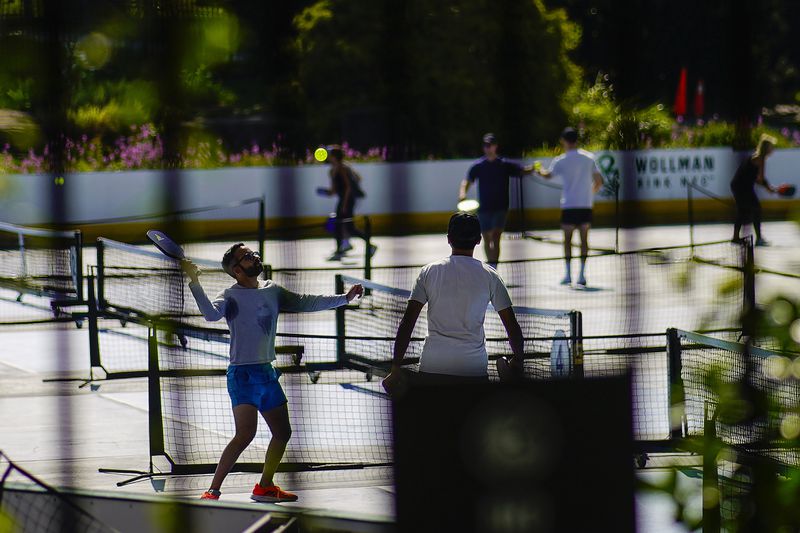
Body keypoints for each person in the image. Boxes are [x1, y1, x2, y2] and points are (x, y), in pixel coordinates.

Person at [182, 243, 363, 502]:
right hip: (242, 375)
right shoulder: (230, 295)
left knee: (283, 433)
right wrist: (194, 280)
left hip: (267, 373)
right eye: (247, 256)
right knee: (245, 434)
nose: (255, 257)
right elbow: (211, 315)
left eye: (253, 253)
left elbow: (305, 302)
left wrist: (344, 299)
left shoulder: (272, 290)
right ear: (236, 269)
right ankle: (213, 490)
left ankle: (265, 486)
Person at [382, 213, 524, 394]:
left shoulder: (429, 272)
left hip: (432, 370)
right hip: (473, 372)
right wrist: (518, 360)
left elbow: (407, 323)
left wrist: (395, 367)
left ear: (448, 239)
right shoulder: (491, 276)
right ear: (479, 240)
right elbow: (512, 327)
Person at [535, 127, 603, 287]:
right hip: (585, 205)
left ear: (564, 141)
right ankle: (582, 274)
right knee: (584, 240)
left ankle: (567, 274)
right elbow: (599, 181)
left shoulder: (561, 160)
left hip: (569, 205)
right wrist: (589, 193)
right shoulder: (589, 158)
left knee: (567, 240)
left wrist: (537, 170)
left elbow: (548, 175)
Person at [458, 133, 533, 269]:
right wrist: (462, 193)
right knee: (486, 237)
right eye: (486, 145)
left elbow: (523, 171)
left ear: (495, 146)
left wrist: (534, 169)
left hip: (501, 206)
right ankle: (491, 265)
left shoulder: (504, 164)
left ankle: (494, 267)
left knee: (496, 236)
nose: (488, 148)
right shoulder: (479, 165)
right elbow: (467, 180)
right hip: (484, 207)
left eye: (490, 145)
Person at [323, 145, 377, 261]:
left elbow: (348, 187)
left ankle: (370, 246)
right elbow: (333, 191)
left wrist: (344, 204)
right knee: (338, 224)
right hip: (343, 199)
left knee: (349, 227)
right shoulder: (333, 170)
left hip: (347, 199)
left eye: (330, 155)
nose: (328, 157)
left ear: (334, 156)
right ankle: (342, 246)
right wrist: (326, 192)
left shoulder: (342, 168)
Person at [731, 134, 778, 246]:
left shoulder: (757, 157)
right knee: (756, 209)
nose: (773, 149)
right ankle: (759, 239)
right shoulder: (760, 159)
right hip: (743, 187)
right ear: (766, 148)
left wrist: (769, 187)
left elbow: (756, 178)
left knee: (742, 211)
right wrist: (769, 188)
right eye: (771, 147)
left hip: (739, 185)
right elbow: (760, 179)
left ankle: (736, 238)